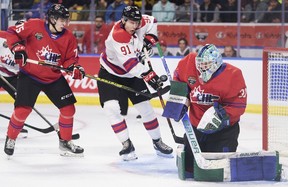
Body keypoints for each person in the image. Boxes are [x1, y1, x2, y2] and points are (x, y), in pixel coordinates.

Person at [4, 4, 85, 157]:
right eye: (62, 20)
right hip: (30, 75)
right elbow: (12, 33)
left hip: (53, 77)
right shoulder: (35, 25)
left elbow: (70, 59)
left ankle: (65, 142)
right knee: (22, 110)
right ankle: (11, 138)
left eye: (66, 20)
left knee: (69, 109)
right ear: (52, 19)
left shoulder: (68, 37)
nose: (65, 23)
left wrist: (74, 68)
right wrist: (17, 48)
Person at [98, 6, 173, 161]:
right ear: (124, 20)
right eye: (131, 22)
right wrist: (150, 76)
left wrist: (149, 40)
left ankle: (157, 141)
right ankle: (126, 144)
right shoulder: (118, 35)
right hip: (110, 73)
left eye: (137, 22)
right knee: (111, 109)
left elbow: (153, 21)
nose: (135, 26)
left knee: (146, 109)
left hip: (132, 74)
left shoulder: (140, 23)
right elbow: (131, 66)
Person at [172, 44, 247, 176]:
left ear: (215, 63)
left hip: (223, 132)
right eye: (200, 63)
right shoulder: (189, 63)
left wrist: (222, 116)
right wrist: (179, 100)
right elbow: (178, 78)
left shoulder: (233, 75)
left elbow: (238, 105)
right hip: (195, 128)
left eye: (206, 64)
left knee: (219, 171)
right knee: (189, 170)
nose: (201, 67)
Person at [0, 24, 28, 137]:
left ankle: (16, 125)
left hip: (14, 77)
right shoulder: (2, 36)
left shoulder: (30, 47)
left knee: (21, 100)